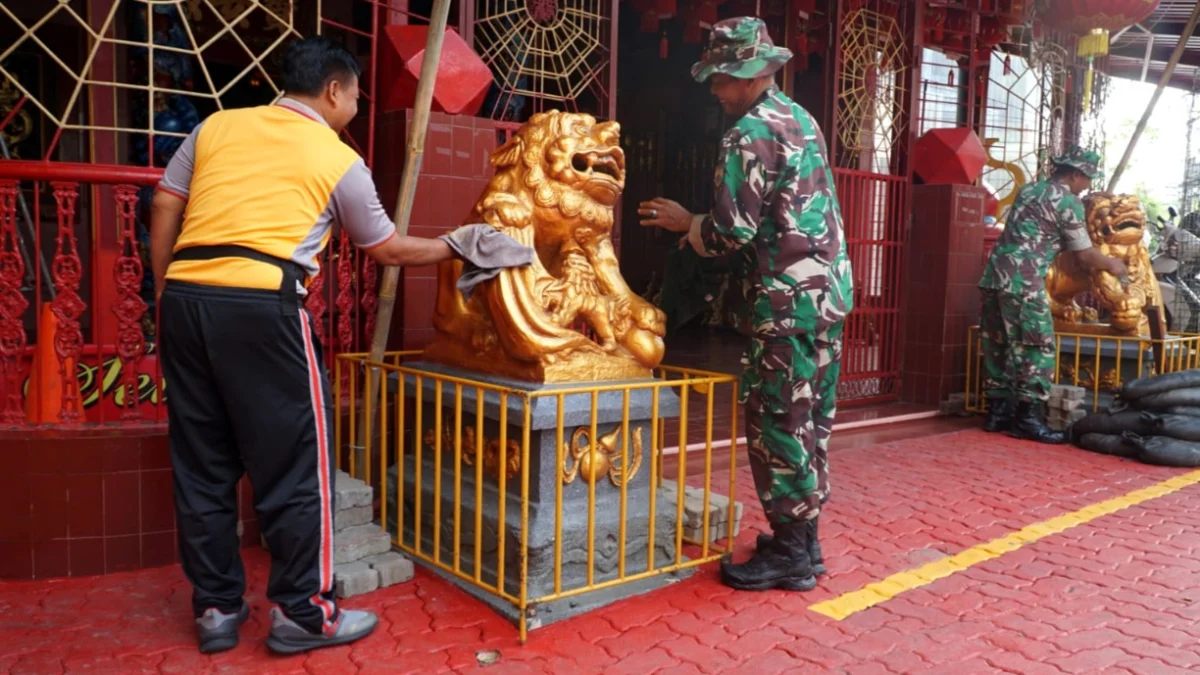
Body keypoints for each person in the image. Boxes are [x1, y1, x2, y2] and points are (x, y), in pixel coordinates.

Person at [150, 36, 526, 654]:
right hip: (264, 305)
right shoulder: (336, 157)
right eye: (355, 95)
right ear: (333, 90)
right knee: (299, 467)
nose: (354, 106)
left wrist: (168, 288)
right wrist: (462, 245)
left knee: (203, 465)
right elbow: (388, 250)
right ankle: (303, 612)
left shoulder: (217, 126)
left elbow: (167, 203)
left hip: (188, 304)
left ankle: (216, 609)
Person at [638, 17, 853, 592]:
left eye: (722, 78)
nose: (715, 90)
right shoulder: (800, 117)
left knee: (775, 421)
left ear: (752, 74)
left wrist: (689, 225)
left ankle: (790, 553)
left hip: (784, 303)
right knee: (811, 422)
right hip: (826, 296)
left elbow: (732, 232)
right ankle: (803, 543)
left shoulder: (749, 133)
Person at [978, 146, 1127, 444]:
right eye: (1086, 179)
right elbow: (1083, 255)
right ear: (1073, 174)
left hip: (995, 275)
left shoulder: (1030, 190)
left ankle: (997, 414)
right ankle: (1027, 419)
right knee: (1037, 346)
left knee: (997, 342)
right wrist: (1113, 264)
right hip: (1024, 280)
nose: (1088, 185)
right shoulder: (1067, 201)